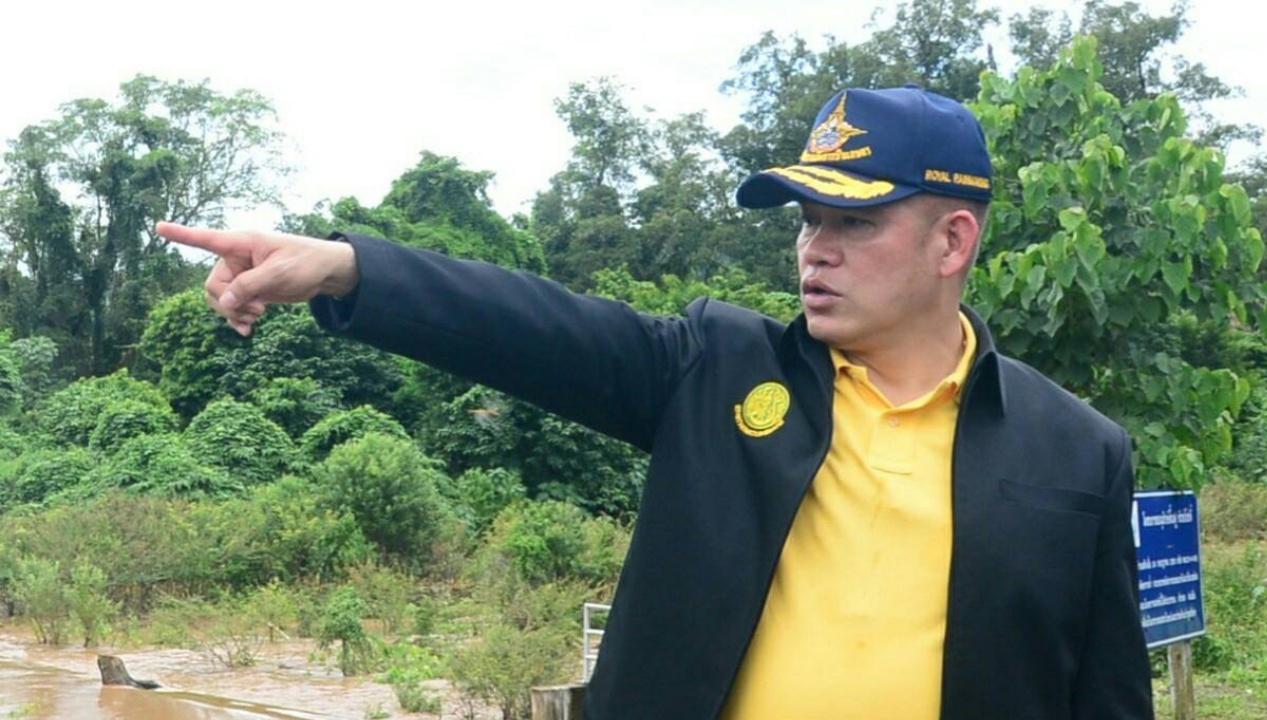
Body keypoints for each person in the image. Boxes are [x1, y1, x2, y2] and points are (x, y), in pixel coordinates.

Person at [158, 86, 1153, 719]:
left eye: (853, 222)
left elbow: (1105, 696)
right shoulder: (717, 371)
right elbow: (531, 327)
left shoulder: (1075, 452)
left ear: (951, 243)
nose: (815, 249)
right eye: (806, 221)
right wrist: (345, 268)